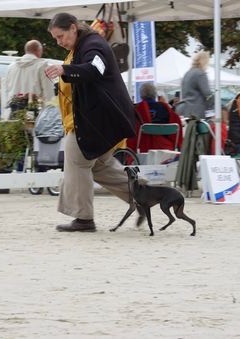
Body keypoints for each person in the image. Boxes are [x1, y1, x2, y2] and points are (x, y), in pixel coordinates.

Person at [44, 12, 144, 232]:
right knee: (100, 166)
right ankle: (145, 196)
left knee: (77, 158)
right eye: (56, 39)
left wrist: (65, 70)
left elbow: (94, 70)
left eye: (61, 36)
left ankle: (83, 219)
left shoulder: (93, 45)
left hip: (101, 119)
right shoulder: (82, 46)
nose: (59, 42)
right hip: (103, 119)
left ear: (73, 27)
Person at [127, 82, 183, 153]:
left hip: (143, 149)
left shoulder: (136, 110)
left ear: (141, 96)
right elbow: (177, 125)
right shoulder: (166, 108)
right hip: (166, 148)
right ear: (155, 95)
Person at [5, 39, 55, 112]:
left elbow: (7, 90)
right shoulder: (42, 66)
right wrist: (50, 111)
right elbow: (48, 92)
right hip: (35, 110)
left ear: (26, 51)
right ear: (38, 51)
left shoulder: (11, 67)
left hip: (15, 110)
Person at [176, 51, 214, 119]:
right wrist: (213, 106)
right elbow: (207, 94)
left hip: (184, 109)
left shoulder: (187, 73)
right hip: (197, 111)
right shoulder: (200, 73)